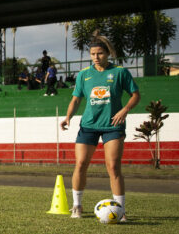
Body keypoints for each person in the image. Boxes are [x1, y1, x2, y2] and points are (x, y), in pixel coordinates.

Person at [60, 36, 140, 221]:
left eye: (100, 53)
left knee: (113, 167)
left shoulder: (120, 73)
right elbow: (76, 99)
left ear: (108, 53)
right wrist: (68, 117)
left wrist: (125, 110)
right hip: (88, 125)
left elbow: (135, 95)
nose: (96, 57)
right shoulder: (84, 74)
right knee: (80, 164)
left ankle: (121, 211)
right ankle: (77, 206)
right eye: (93, 54)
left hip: (113, 126)